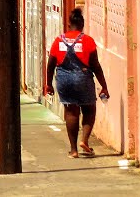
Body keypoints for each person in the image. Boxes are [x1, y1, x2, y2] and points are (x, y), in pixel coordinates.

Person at [45, 8, 109, 158]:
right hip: (82, 79)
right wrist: (104, 85)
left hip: (63, 80)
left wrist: (48, 84)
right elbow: (96, 66)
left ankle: (73, 150)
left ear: (68, 24)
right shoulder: (87, 41)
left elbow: (51, 64)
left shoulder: (58, 41)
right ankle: (85, 140)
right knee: (89, 110)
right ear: (82, 24)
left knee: (71, 111)